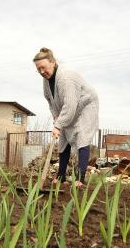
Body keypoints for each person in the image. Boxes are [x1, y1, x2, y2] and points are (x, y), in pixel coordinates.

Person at [33, 47, 99, 187]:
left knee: (82, 135)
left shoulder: (65, 77)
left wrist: (58, 125)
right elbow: (50, 101)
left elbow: (70, 105)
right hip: (69, 108)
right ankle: (61, 176)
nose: (41, 72)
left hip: (85, 105)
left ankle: (80, 179)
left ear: (52, 62)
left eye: (43, 67)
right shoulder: (47, 80)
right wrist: (56, 118)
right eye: (38, 69)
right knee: (63, 138)